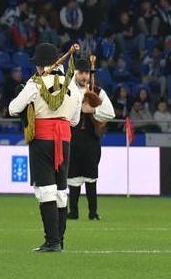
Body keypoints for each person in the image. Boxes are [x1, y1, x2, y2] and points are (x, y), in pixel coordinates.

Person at [8, 43, 83, 252]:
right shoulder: (73, 86)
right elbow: (75, 121)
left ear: (41, 65)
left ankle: (52, 241)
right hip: (64, 140)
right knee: (61, 190)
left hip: (42, 140)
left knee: (45, 190)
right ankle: (59, 240)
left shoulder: (35, 83)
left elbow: (13, 109)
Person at [68, 56, 114, 221]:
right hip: (72, 139)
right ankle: (73, 212)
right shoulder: (67, 91)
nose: (84, 76)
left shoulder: (98, 91)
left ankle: (92, 212)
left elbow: (110, 113)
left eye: (86, 72)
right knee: (72, 177)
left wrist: (92, 111)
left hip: (91, 140)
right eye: (80, 72)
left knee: (90, 177)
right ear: (75, 73)